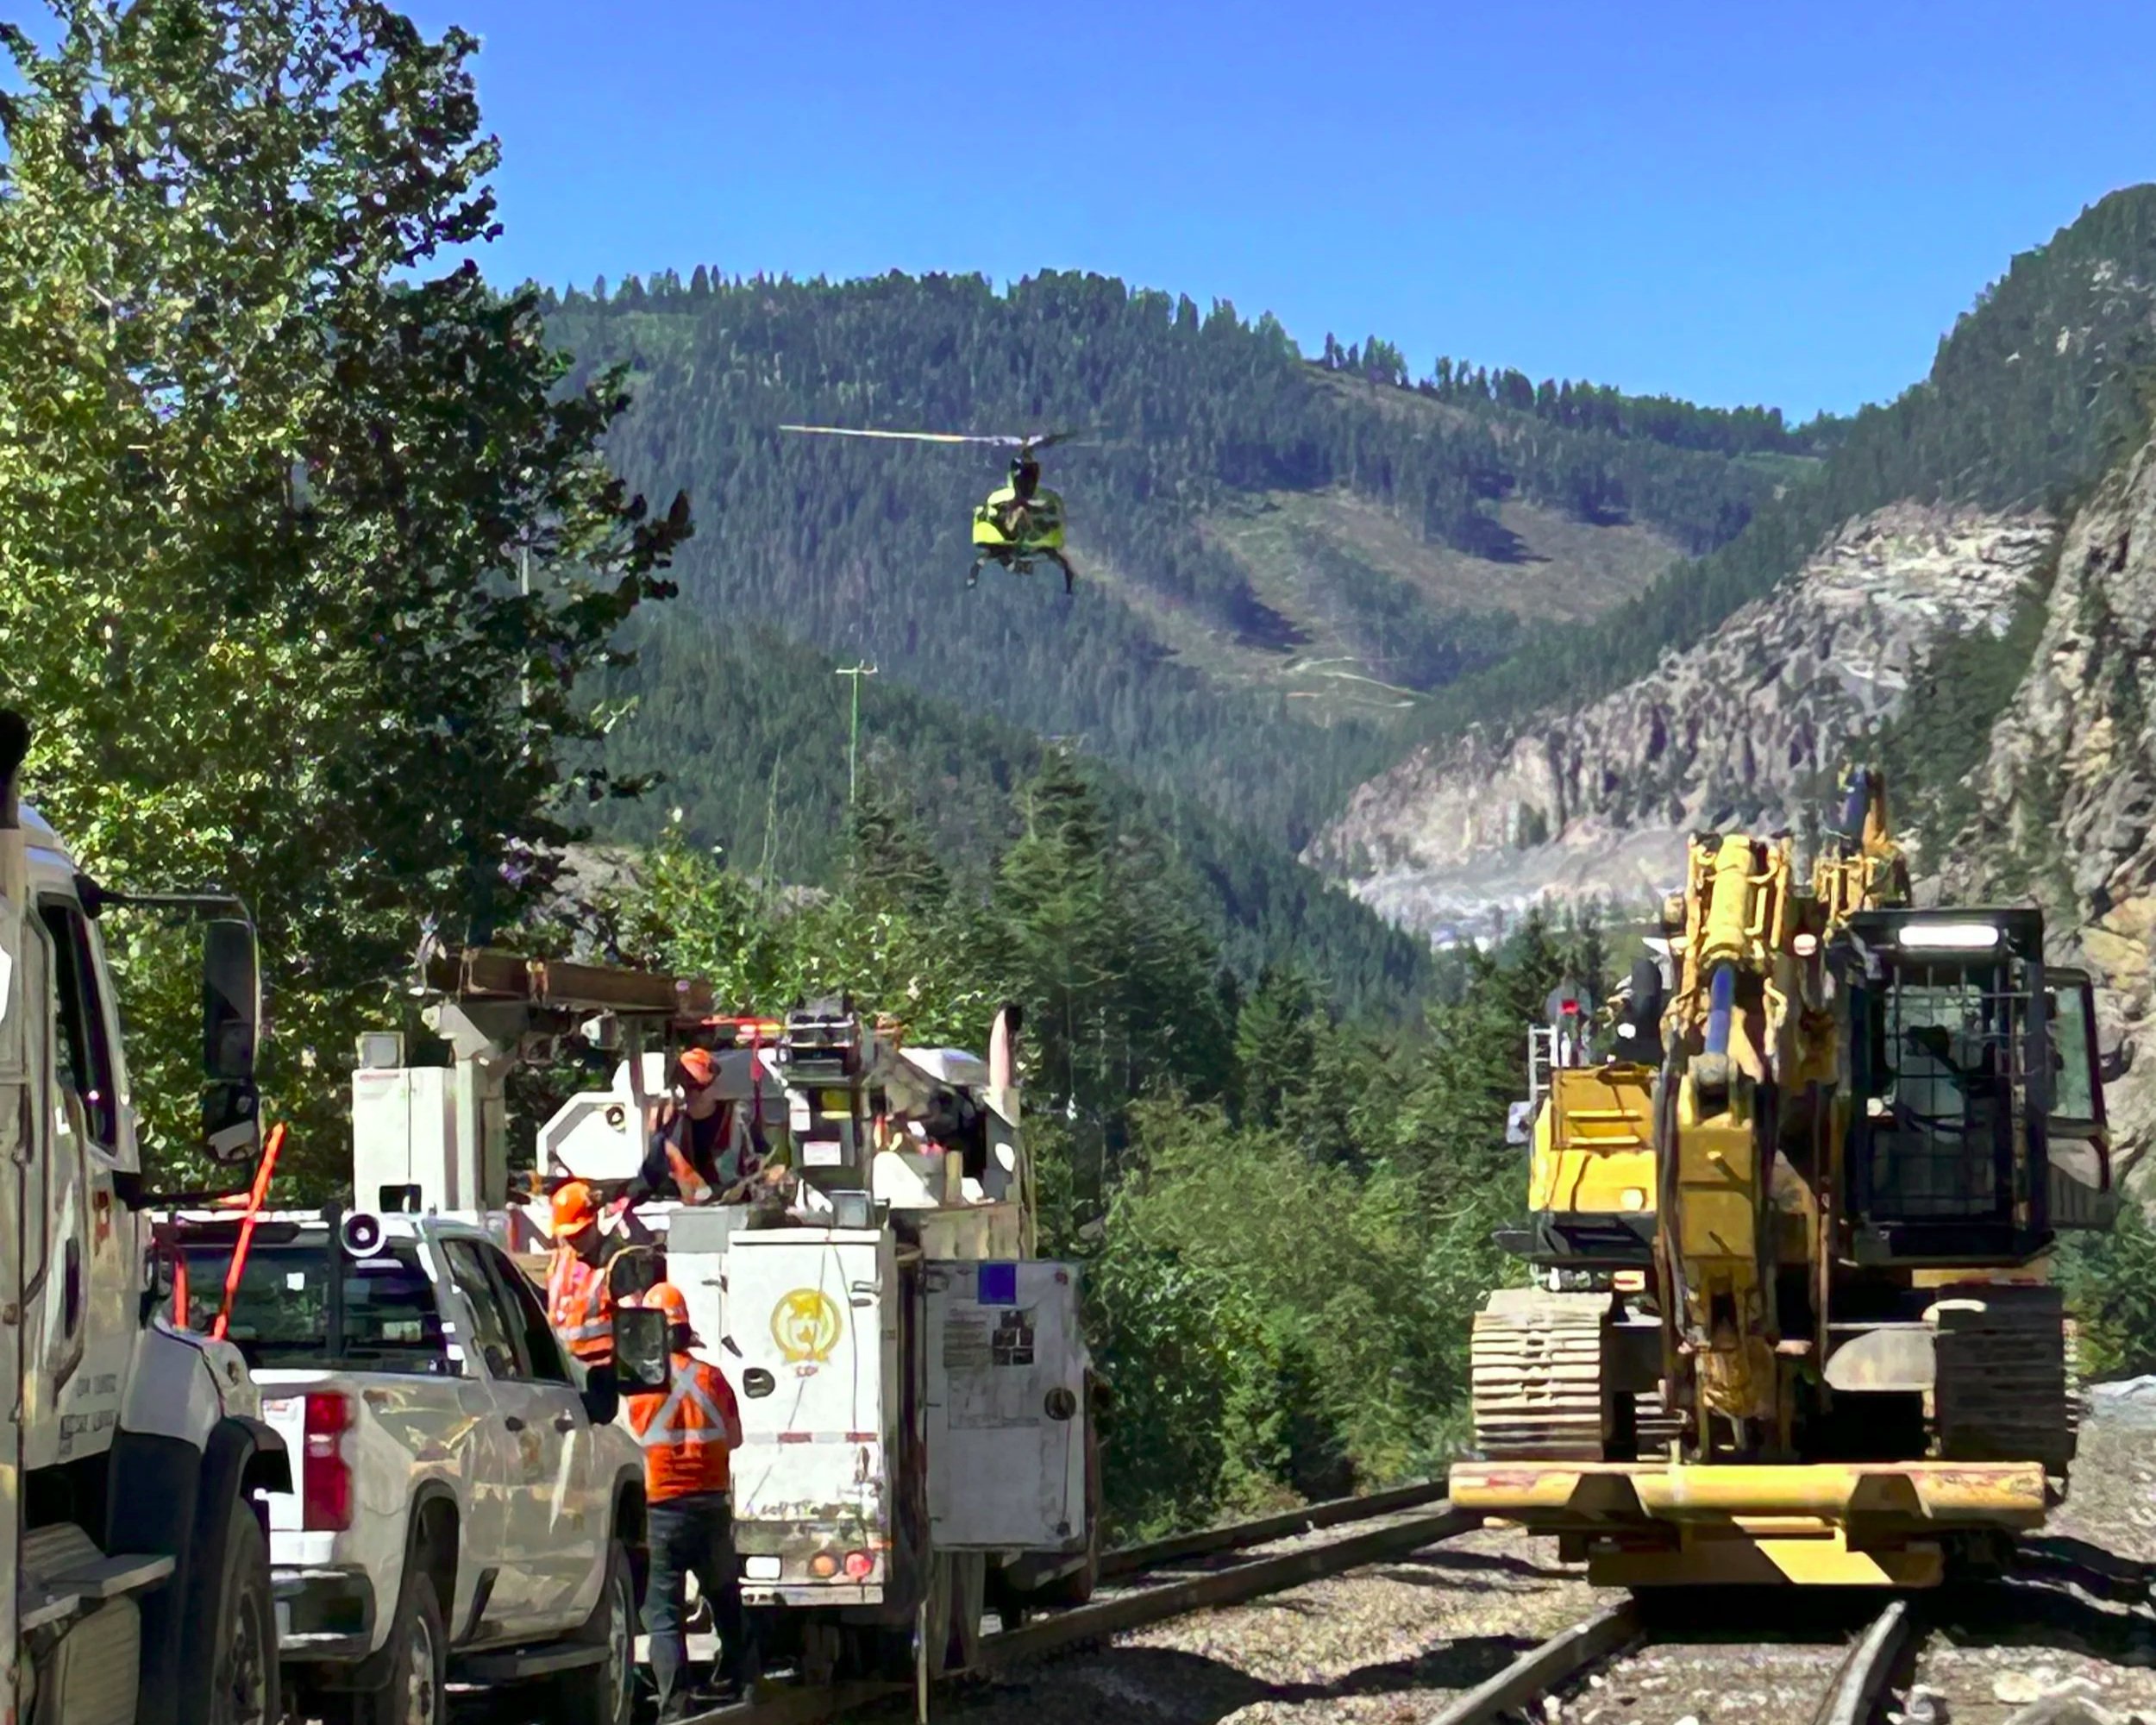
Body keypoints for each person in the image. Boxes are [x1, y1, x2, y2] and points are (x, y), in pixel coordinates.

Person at [626, 1282, 753, 1717]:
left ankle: (674, 1702)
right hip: (710, 1505)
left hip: (660, 1508)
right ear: (685, 1331)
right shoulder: (712, 1379)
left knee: (662, 1610)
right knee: (723, 1593)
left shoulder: (641, 1387)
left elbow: (629, 1445)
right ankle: (741, 1678)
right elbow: (734, 1438)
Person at [626, 1047, 749, 1208]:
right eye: (687, 1087)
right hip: (683, 1210)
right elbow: (646, 1181)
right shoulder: (668, 1133)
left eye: (699, 1087)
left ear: (714, 1085)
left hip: (734, 1208)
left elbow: (760, 1161)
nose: (693, 1094)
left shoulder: (738, 1119)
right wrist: (624, 1203)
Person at [543, 1180, 618, 1365]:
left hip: (602, 1373)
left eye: (580, 1234)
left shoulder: (616, 1261)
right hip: (564, 1370)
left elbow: (635, 1327)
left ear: (594, 1221)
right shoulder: (560, 1261)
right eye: (568, 1236)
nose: (574, 1241)